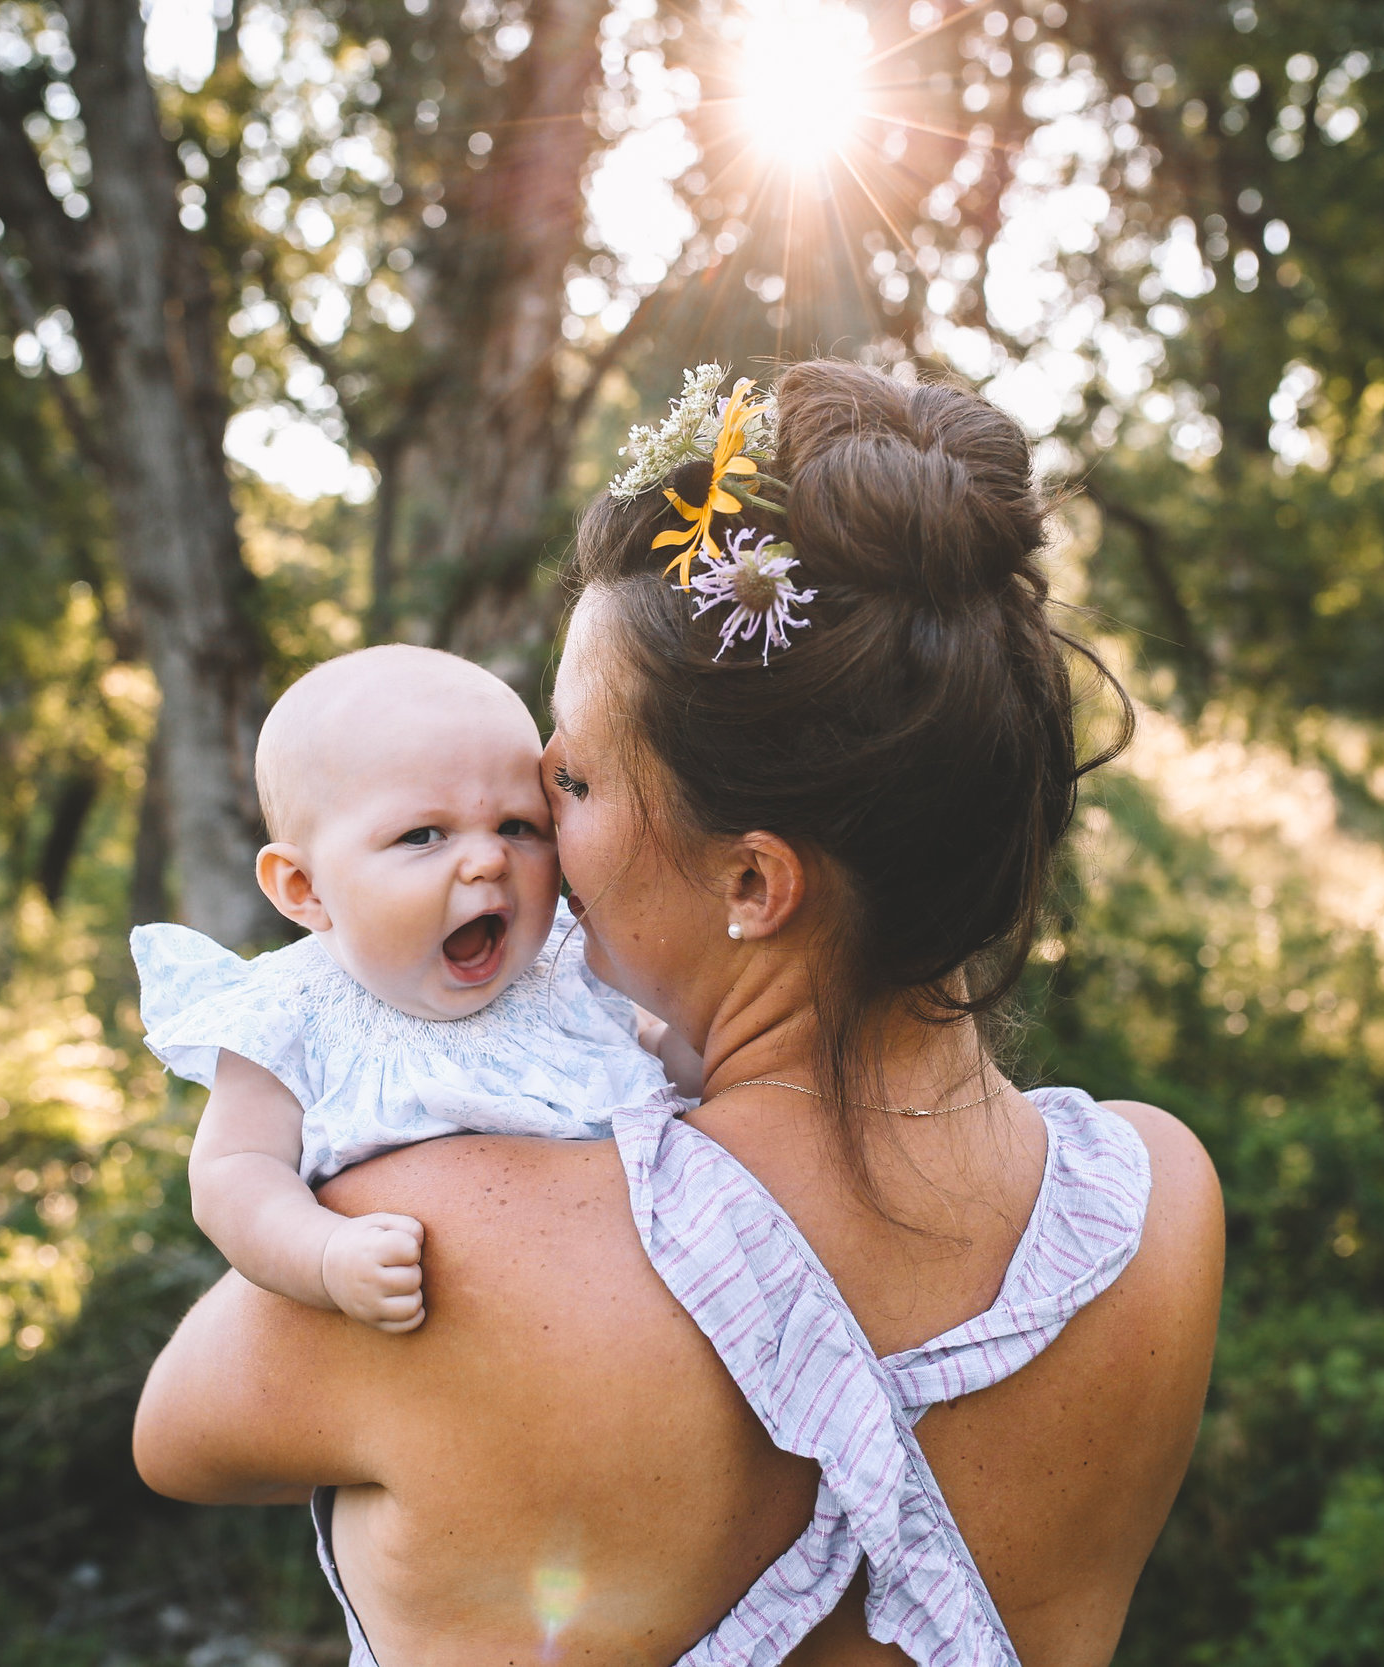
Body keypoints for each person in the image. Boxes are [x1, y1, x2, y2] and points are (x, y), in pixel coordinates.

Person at [134, 359, 1223, 1667]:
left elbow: (178, 1433)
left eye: (571, 778)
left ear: (752, 879)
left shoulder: (440, 1245)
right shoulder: (1155, 1204)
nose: (526, 825)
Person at [130, 645, 684, 1331]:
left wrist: (707, 1051)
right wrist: (327, 1255)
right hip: (439, 1368)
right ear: (304, 888)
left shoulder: (572, 963)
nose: (489, 859)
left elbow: (656, 1050)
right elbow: (231, 1177)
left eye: (518, 825)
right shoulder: (293, 1016)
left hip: (623, 1325)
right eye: (424, 834)